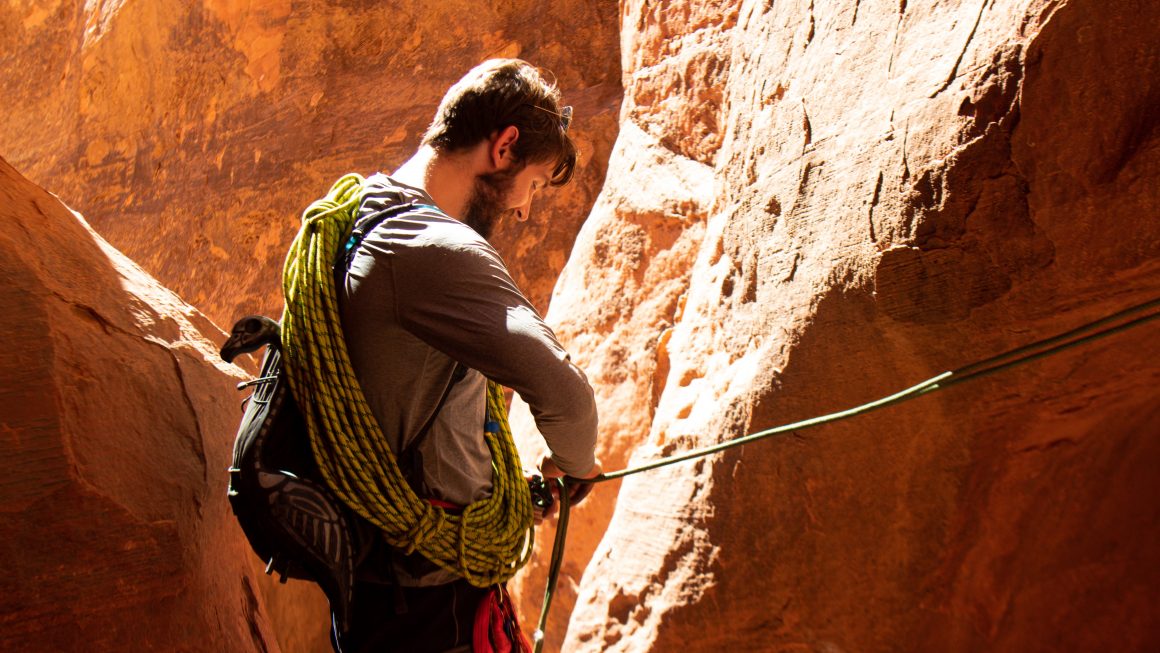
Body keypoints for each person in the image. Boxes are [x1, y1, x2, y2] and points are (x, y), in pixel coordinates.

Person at [331, 58, 602, 652]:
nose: (524, 209)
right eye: (532, 184)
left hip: (378, 581)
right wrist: (573, 465)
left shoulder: (361, 214)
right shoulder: (433, 250)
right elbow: (565, 395)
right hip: (430, 599)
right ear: (503, 146)